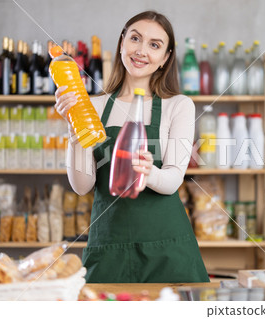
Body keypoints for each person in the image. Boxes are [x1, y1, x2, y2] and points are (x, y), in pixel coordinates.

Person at [54, 10, 209, 283]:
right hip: (108, 247)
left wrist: (147, 172)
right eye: (135, 38)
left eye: (154, 45)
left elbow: (173, 180)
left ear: (166, 58)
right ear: (122, 43)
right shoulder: (92, 106)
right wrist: (74, 130)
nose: (141, 50)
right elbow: (82, 186)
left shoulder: (178, 106)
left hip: (167, 249)